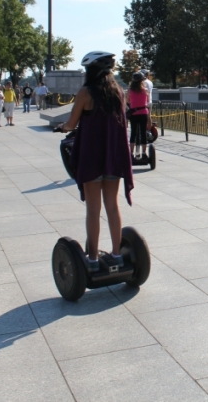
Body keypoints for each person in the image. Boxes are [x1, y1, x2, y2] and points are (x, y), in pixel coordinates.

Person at [57, 51, 133, 271]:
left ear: (91, 71)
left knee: (93, 208)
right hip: (113, 157)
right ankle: (117, 255)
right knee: (112, 205)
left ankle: (91, 260)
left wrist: (62, 127)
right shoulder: (119, 92)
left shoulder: (85, 92)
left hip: (92, 157)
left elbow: (72, 124)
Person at [127, 72, 150, 161]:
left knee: (133, 133)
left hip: (134, 113)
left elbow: (127, 100)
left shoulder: (130, 90)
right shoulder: (145, 90)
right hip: (143, 112)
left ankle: (131, 153)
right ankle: (144, 153)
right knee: (143, 133)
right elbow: (147, 100)